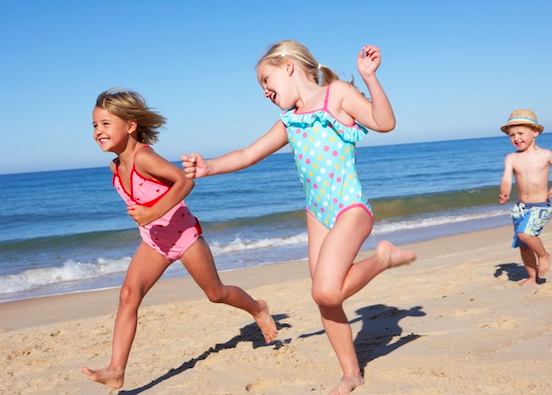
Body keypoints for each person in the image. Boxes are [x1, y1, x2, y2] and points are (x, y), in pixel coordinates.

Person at [181, 40, 416, 395]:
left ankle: (383, 258)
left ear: (288, 66)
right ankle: (351, 372)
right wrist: (209, 167)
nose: (264, 92)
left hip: (349, 207)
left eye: (265, 80)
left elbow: (385, 123)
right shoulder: (289, 120)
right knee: (326, 299)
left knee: (324, 289)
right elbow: (249, 153)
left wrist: (369, 77)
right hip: (317, 213)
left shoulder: (337, 94)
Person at [81, 88, 277, 389]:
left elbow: (184, 181)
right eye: (95, 125)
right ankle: (116, 370)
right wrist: (148, 221)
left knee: (216, 293)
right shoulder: (115, 166)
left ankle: (257, 307)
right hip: (154, 242)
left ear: (130, 126)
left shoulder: (144, 158)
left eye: (106, 123)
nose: (98, 131)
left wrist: (150, 212)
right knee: (128, 296)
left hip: (184, 237)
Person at [499, 109, 552, 285]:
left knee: (525, 234)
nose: (516, 138)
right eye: (512, 135)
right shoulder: (511, 158)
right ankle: (532, 276)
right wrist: (504, 192)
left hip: (539, 207)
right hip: (520, 208)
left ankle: (544, 255)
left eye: (520, 133)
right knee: (523, 246)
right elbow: (507, 178)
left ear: (535, 132)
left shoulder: (545, 155)